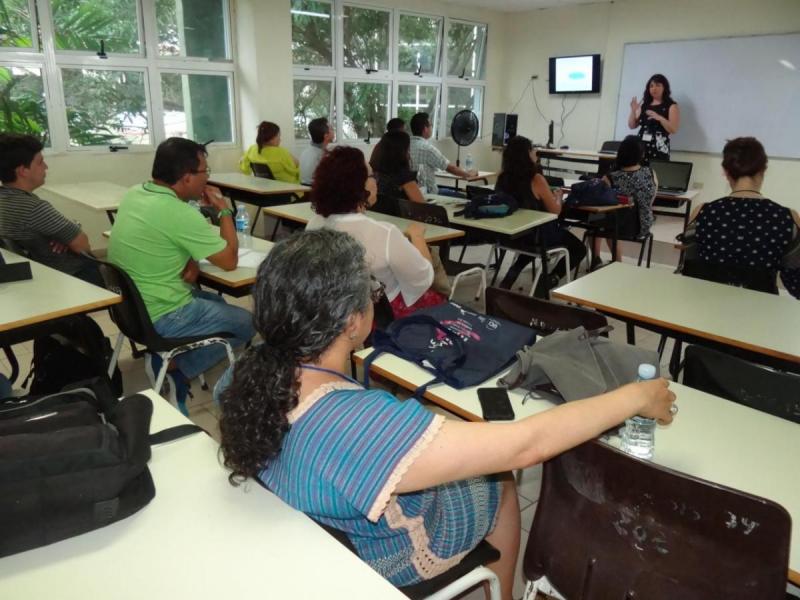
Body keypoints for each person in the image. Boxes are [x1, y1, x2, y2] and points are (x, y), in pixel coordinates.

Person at [217, 228, 677, 599]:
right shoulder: (353, 424)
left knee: (458, 445)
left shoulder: (244, 376)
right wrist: (636, 397)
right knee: (498, 479)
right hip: (385, 556)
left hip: (324, 526)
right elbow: (525, 445)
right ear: (351, 321)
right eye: (371, 291)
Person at [109, 138, 255, 408]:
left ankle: (169, 359)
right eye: (205, 172)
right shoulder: (179, 212)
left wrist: (190, 257)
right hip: (165, 315)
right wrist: (223, 210)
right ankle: (174, 367)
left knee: (219, 302)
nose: (207, 178)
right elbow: (229, 261)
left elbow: (160, 237)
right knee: (248, 323)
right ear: (187, 178)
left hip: (130, 312)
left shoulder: (135, 193)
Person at [306, 146, 445, 318]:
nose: (376, 181)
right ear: (359, 185)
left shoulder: (314, 225)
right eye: (373, 176)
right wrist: (417, 236)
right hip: (383, 316)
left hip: (334, 312)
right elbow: (422, 279)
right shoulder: (384, 233)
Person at [688, 136, 800, 298]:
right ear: (763, 170)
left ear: (726, 172)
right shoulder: (788, 217)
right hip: (761, 312)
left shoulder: (702, 212)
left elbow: (691, 271)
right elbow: (795, 283)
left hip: (706, 308)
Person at [0, 133, 103, 287]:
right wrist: (69, 235)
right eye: (40, 162)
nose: (46, 167)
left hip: (31, 277)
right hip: (69, 278)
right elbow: (83, 246)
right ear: (23, 171)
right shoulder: (34, 208)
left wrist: (66, 236)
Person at [495, 136, 586, 291]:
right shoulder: (536, 179)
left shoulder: (502, 178)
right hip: (535, 235)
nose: (535, 152)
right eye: (532, 149)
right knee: (579, 249)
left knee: (531, 247)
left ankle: (509, 278)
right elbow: (555, 211)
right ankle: (551, 279)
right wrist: (558, 197)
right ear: (526, 154)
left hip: (510, 235)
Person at [592, 135, 658, 266]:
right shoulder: (651, 173)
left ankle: (604, 260)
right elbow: (650, 201)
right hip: (644, 225)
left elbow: (600, 202)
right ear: (641, 155)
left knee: (595, 219)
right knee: (610, 221)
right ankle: (615, 263)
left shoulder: (611, 178)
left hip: (619, 227)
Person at [409, 112, 477, 194]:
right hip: (430, 195)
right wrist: (468, 174)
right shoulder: (428, 149)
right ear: (425, 129)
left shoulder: (404, 146)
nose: (432, 127)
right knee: (463, 197)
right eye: (431, 125)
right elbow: (450, 168)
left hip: (411, 194)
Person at [627, 73, 680, 162]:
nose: (654, 88)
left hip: (659, 147)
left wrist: (659, 117)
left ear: (664, 88)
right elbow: (632, 125)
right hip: (641, 146)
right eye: (651, 86)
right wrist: (633, 110)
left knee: (657, 173)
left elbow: (673, 129)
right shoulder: (645, 105)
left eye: (658, 85)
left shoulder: (671, 106)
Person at [371, 130, 426, 209]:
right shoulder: (404, 177)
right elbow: (423, 207)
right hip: (399, 219)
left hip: (376, 218)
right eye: (408, 149)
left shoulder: (373, 174)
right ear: (402, 152)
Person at [299, 117, 333, 185]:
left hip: (306, 190)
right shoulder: (321, 157)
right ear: (326, 136)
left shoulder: (306, 152)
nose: (333, 130)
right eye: (332, 129)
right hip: (317, 191)